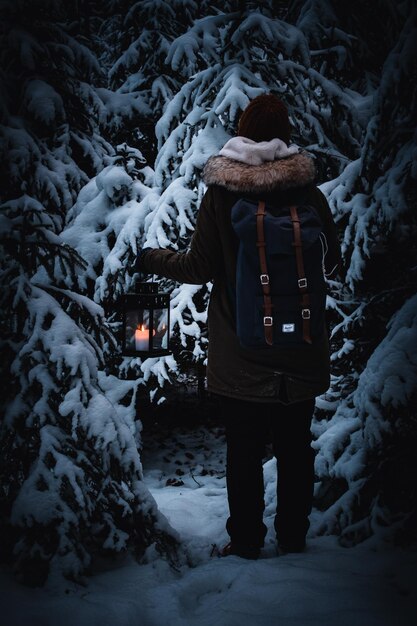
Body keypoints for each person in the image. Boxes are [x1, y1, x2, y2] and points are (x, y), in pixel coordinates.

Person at [136, 93, 342, 560]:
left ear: (242, 134)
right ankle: (293, 537)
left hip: (241, 352)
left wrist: (150, 258)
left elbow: (198, 266)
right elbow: (335, 260)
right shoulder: (308, 194)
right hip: (303, 349)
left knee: (244, 451)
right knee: (295, 448)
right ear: (285, 136)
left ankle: (247, 540)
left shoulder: (223, 195)